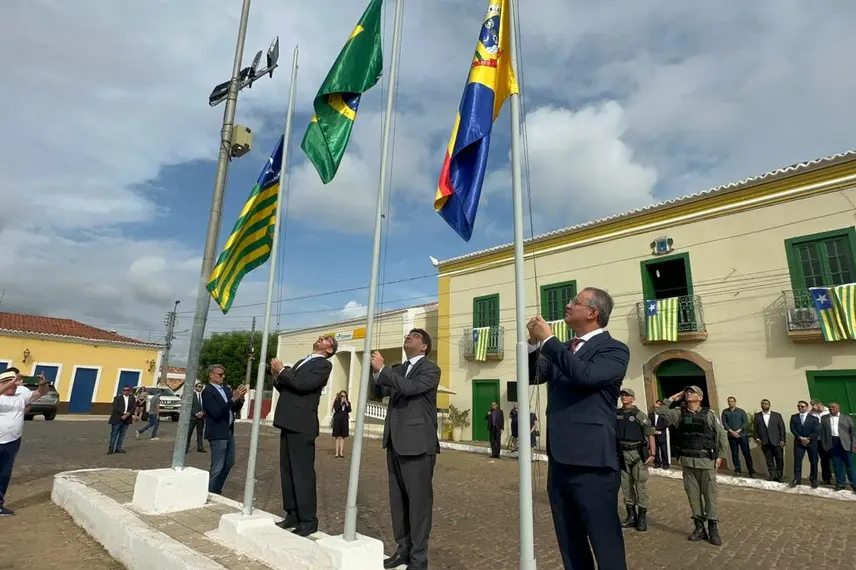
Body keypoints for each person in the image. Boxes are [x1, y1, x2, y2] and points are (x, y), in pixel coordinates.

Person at [526, 287, 629, 570]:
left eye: (575, 302)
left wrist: (549, 339)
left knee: (604, 542)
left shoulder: (614, 349)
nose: (568, 305)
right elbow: (532, 375)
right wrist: (535, 344)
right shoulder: (564, 350)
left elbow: (585, 376)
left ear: (593, 313)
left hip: (592, 462)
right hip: (559, 460)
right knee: (570, 543)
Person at [370, 328, 441, 570]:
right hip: (395, 442)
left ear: (424, 347)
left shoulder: (430, 369)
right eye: (407, 334)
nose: (408, 337)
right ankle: (403, 549)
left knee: (419, 503)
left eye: (415, 335)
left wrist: (383, 372)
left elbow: (410, 389)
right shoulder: (397, 369)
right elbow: (379, 393)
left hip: (419, 444)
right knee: (398, 502)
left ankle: (419, 559)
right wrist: (375, 374)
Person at [271, 335, 337, 537]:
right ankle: (292, 513)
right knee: (287, 470)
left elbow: (302, 385)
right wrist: (276, 375)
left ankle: (308, 520)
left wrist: (283, 370)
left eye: (326, 339)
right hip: (288, 420)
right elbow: (286, 387)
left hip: (302, 424)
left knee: (302, 473)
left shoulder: (323, 365)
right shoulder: (302, 361)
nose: (320, 338)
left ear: (329, 350)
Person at [654, 386, 728, 546]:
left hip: (706, 462)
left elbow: (721, 435)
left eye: (692, 392)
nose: (689, 394)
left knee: (710, 497)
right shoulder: (679, 414)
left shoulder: (709, 415)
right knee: (693, 497)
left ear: (700, 397)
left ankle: (713, 528)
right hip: (687, 462)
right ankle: (699, 528)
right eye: (687, 392)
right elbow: (660, 411)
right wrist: (673, 398)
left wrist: (721, 456)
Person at [0, 369, 49, 516]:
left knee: (4, 474)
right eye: (9, 384)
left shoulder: (20, 396)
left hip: (12, 442)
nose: (13, 387)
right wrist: (10, 383)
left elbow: (41, 392)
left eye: (15, 385)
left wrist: (43, 384)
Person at [201, 364, 246, 494]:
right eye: (220, 374)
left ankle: (216, 489)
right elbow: (216, 413)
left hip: (229, 431)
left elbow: (233, 409)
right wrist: (233, 398)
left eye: (223, 374)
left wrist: (240, 399)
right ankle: (209, 492)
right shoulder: (208, 392)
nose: (223, 377)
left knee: (229, 463)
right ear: (211, 375)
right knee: (217, 466)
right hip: (217, 433)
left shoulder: (226, 389)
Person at [616, 388, 656, 532]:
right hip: (622, 453)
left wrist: (652, 454)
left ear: (633, 398)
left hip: (637, 454)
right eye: (622, 395)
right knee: (626, 486)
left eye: (627, 396)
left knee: (640, 486)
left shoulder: (639, 415)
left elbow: (650, 434)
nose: (624, 398)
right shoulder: (617, 414)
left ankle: (642, 517)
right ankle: (631, 515)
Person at [789, 400, 820, 488]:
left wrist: (808, 438)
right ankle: (797, 479)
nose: (800, 408)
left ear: (807, 407)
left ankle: (813, 480)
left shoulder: (814, 418)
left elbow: (817, 431)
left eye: (802, 406)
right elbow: (792, 429)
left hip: (812, 443)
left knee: (813, 461)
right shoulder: (794, 417)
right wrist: (800, 438)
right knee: (797, 461)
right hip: (799, 442)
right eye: (798, 406)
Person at [720, 396, 754, 477]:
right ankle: (737, 470)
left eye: (732, 401)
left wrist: (738, 431)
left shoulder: (741, 411)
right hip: (731, 436)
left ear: (735, 402)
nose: (730, 403)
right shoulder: (725, 412)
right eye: (729, 401)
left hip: (742, 435)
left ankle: (751, 471)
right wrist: (732, 432)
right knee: (735, 454)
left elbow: (745, 423)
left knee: (746, 453)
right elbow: (724, 423)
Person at [753, 399, 786, 482]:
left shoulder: (777, 415)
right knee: (769, 460)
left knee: (779, 460)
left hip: (777, 442)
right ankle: (772, 475)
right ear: (761, 405)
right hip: (765, 442)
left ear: (769, 405)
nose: (764, 405)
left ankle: (779, 476)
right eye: (763, 404)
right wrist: (757, 438)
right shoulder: (757, 416)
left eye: (766, 403)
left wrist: (783, 440)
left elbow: (782, 428)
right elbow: (755, 429)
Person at [107, 385, 136, 454]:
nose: (126, 391)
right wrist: (123, 414)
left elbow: (133, 407)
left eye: (127, 390)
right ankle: (111, 449)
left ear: (130, 391)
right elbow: (116, 407)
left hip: (127, 419)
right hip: (117, 418)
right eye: (124, 390)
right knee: (114, 434)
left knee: (122, 434)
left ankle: (118, 448)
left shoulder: (132, 398)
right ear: (122, 391)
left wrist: (127, 414)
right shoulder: (117, 398)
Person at [186, 383, 206, 454]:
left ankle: (200, 447)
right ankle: (186, 448)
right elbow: (189, 406)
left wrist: (203, 413)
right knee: (189, 433)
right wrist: (196, 414)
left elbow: (206, 406)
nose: (200, 388)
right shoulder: (192, 396)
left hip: (201, 418)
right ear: (195, 387)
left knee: (200, 433)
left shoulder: (204, 396)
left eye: (201, 387)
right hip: (193, 417)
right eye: (199, 386)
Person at [332, 390, 351, 459]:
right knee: (337, 436)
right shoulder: (337, 402)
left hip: (344, 421)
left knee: (343, 437)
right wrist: (340, 403)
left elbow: (349, 410)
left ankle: (341, 452)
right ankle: (336, 453)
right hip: (337, 420)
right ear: (340, 396)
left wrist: (346, 403)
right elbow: (336, 408)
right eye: (342, 396)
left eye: (344, 396)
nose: (343, 397)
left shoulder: (347, 403)